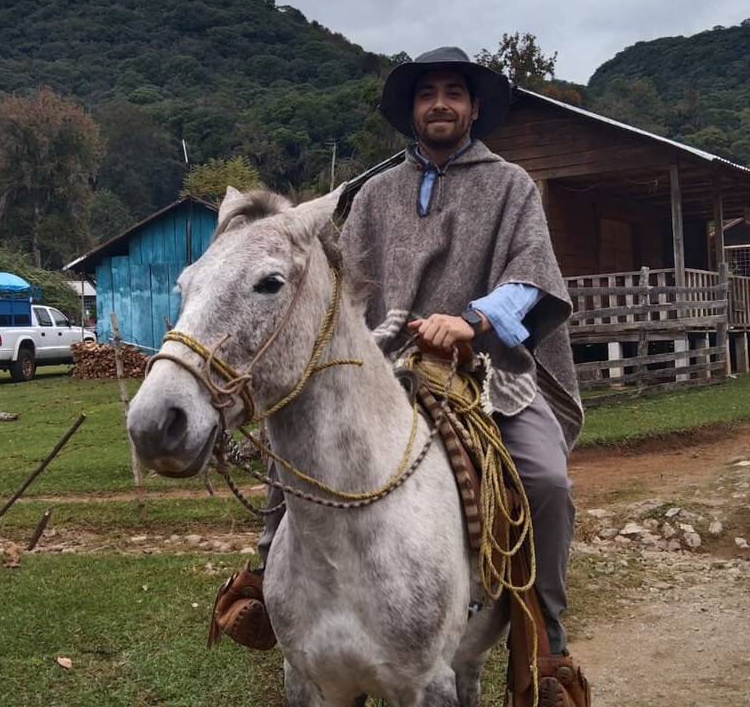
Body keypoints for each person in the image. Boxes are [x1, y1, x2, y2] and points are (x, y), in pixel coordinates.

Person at [214, 47, 588, 704]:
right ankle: (264, 586)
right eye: (427, 94)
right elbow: (339, 294)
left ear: (472, 108)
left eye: (452, 92)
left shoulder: (511, 186)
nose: (439, 103)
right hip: (381, 363)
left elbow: (531, 279)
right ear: (412, 110)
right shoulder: (374, 194)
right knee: (291, 447)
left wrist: (471, 322)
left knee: (547, 479)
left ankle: (547, 652)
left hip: (484, 369)